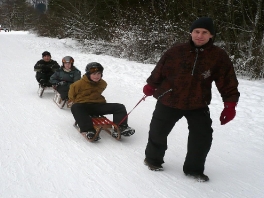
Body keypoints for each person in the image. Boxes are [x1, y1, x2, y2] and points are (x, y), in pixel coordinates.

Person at [142, 17, 240, 182]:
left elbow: (228, 81)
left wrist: (230, 105)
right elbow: (160, 69)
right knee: (158, 131)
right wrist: (151, 85)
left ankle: (194, 170)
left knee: (202, 137)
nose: (199, 35)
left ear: (211, 35)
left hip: (197, 103)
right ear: (191, 32)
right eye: (196, 31)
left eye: (204, 32)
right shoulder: (176, 51)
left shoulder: (218, 56)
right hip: (169, 99)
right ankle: (152, 160)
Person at [69, 62, 135, 141]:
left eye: (98, 74)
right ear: (88, 74)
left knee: (120, 107)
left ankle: (122, 127)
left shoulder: (103, 83)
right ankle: (89, 130)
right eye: (93, 74)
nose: (96, 76)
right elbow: (71, 96)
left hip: (98, 105)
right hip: (84, 106)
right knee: (75, 107)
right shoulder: (77, 84)